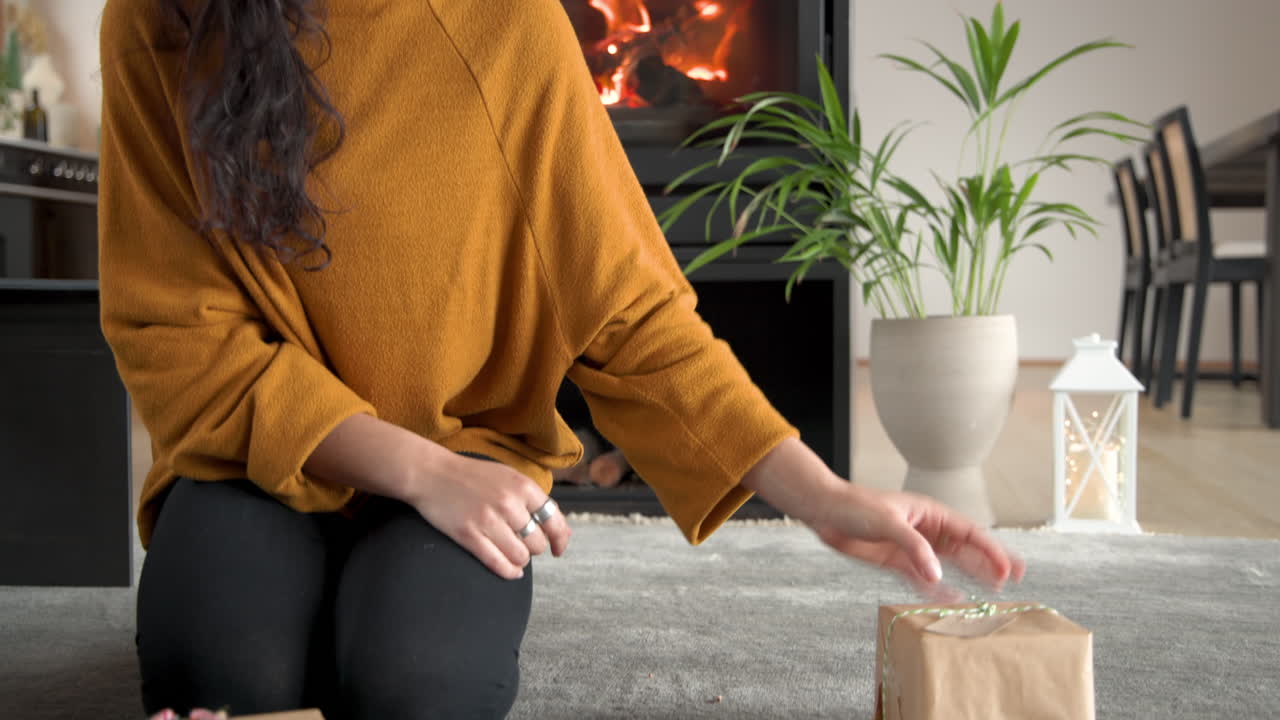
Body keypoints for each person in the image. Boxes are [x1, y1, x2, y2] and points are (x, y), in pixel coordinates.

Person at [99, 0, 1024, 718]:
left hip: (466, 459)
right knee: (226, 684)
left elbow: (627, 314)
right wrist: (420, 472)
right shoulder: (161, 18)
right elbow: (177, 333)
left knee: (414, 687)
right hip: (251, 460)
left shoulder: (503, 21)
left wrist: (823, 496)